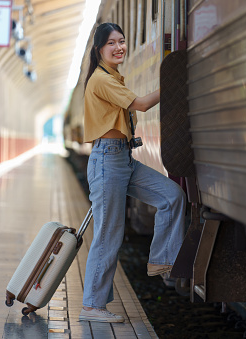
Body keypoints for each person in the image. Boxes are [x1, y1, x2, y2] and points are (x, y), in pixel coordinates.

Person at [79, 22, 186, 323]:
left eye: (122, 41)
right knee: (108, 235)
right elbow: (139, 105)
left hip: (122, 160)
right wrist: (174, 83)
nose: (119, 47)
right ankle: (92, 306)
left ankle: (163, 260)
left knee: (172, 196)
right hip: (107, 162)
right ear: (99, 49)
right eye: (111, 43)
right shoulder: (101, 79)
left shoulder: (113, 77)